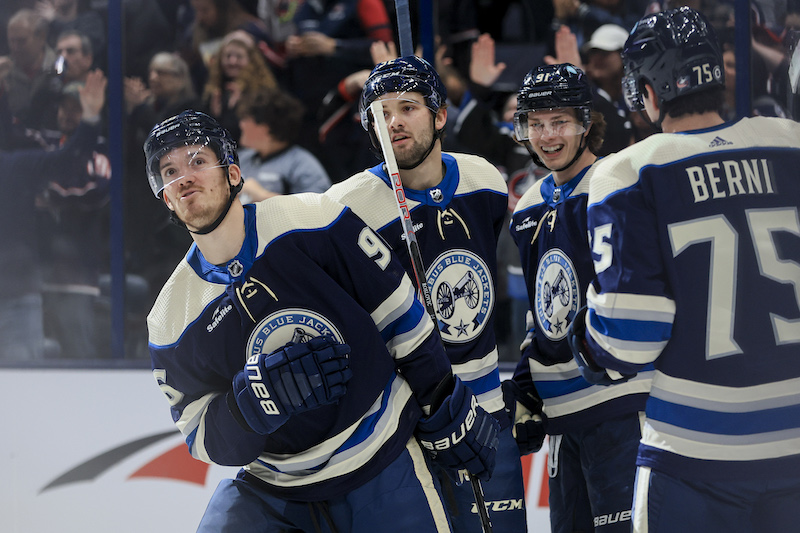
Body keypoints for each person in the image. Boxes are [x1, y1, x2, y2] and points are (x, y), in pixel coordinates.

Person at [144, 110, 500, 532]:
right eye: (170, 171)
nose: (184, 177)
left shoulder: (315, 218)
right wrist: (252, 406)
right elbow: (202, 437)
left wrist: (442, 400)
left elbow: (400, 312)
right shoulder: (169, 319)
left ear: (234, 173)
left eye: (197, 161)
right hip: (278, 490)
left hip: (379, 457)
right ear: (166, 197)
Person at [567, 7, 800, 532]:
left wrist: (585, 342)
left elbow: (631, 338)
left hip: (696, 454)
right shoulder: (790, 143)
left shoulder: (628, 171)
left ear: (646, 92)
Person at [326, 56, 527, 532]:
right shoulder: (346, 207)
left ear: (439, 116)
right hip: (405, 428)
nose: (393, 120)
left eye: (408, 107)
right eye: (381, 111)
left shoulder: (484, 181)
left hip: (486, 413)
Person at [507, 63, 652, 533]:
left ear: (587, 123)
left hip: (619, 405)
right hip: (560, 417)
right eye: (536, 123)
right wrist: (528, 380)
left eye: (560, 122)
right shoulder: (527, 206)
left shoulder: (615, 186)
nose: (547, 136)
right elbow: (542, 305)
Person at [0, 68, 106, 360]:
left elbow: (66, 159)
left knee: (24, 386)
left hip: (15, 295)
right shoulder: (12, 165)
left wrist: (89, 120)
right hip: (17, 291)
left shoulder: (10, 167)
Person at [236, 87, 331, 202]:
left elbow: (319, 207)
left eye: (245, 119)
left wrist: (263, 195)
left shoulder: (302, 164)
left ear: (266, 127)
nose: (241, 124)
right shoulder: (241, 158)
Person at [201, 29, 278, 142]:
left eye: (239, 56)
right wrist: (215, 115)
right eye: (228, 56)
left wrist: (238, 108)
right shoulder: (214, 90)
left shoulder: (264, 92)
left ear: (251, 60)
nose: (232, 61)